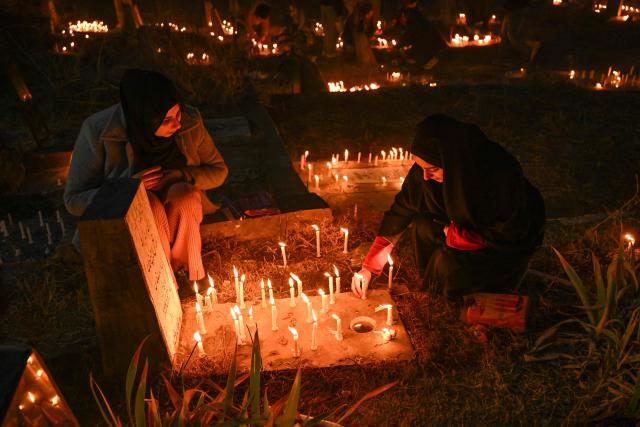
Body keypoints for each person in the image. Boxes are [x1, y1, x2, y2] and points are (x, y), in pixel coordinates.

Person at [352, 114, 545, 302]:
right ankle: (432, 284)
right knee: (423, 226)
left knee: (447, 266)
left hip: (499, 245)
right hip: (458, 226)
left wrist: (460, 237)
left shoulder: (499, 176)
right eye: (421, 168)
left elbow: (512, 232)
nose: (425, 177)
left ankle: (449, 293)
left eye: (433, 169)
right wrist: (370, 266)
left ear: (453, 164)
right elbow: (400, 211)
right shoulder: (426, 173)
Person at [64, 69, 228, 285]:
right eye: (167, 119)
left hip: (177, 205)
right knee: (147, 205)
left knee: (185, 196)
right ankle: (161, 282)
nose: (177, 124)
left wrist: (183, 175)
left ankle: (191, 275)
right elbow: (73, 200)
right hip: (128, 218)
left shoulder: (189, 122)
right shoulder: (97, 130)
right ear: (144, 120)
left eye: (178, 114)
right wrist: (126, 188)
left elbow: (219, 170)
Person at [399, 0, 446, 70]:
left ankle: (426, 63)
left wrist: (399, 46)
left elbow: (408, 35)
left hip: (426, 47)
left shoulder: (413, 18)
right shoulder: (416, 15)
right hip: (431, 46)